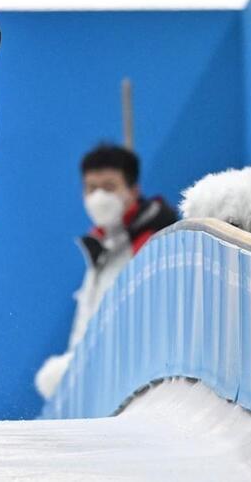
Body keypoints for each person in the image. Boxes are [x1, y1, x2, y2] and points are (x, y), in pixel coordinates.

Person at [35, 143, 177, 398]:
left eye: (110, 187)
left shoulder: (152, 246)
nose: (99, 197)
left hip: (136, 392)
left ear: (133, 191)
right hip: (98, 391)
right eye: (91, 188)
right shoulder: (101, 249)